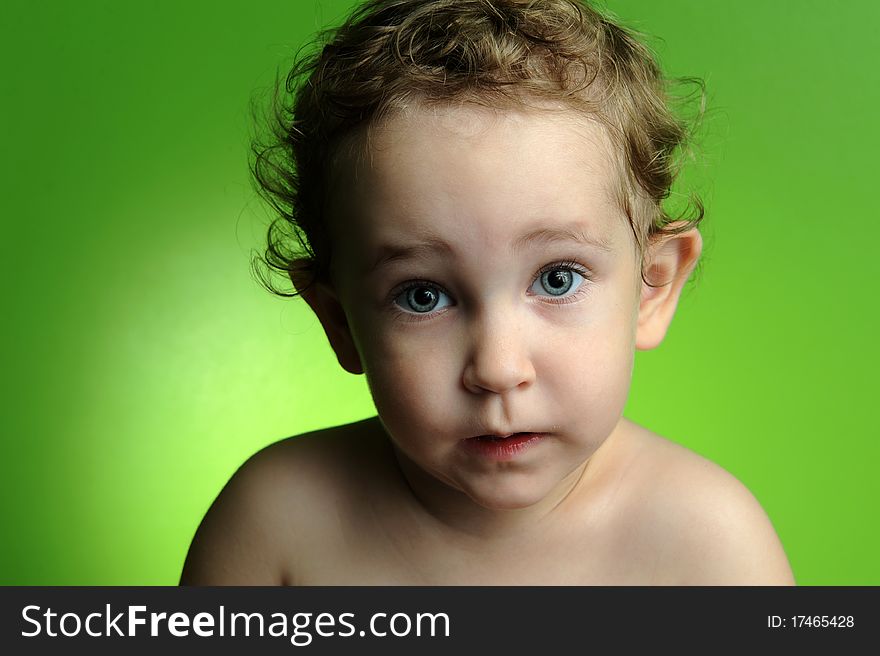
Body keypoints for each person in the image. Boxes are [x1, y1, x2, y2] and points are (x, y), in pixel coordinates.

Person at [180, 0, 794, 585]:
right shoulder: (274, 528)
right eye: (421, 295)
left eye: (558, 279)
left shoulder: (710, 544)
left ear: (653, 286)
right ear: (340, 323)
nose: (498, 369)